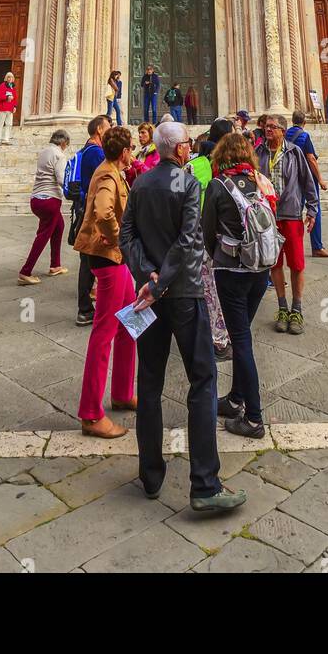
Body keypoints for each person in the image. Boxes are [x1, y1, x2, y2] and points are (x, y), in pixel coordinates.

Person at [120, 118, 247, 515]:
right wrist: (161, 283)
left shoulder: (140, 183)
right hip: (185, 294)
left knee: (151, 384)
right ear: (179, 150)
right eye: (187, 143)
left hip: (150, 297)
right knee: (203, 381)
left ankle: (151, 475)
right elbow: (189, 240)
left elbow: (127, 237)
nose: (190, 147)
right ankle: (205, 485)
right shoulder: (188, 183)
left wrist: (146, 276)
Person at [203, 130, 277, 438]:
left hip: (232, 271)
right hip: (261, 270)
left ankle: (254, 418)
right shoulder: (260, 181)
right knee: (241, 334)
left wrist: (216, 255)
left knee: (241, 342)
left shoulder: (218, 186)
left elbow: (208, 233)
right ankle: (235, 399)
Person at [74, 125, 137, 438]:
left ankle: (123, 391)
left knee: (130, 320)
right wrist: (120, 239)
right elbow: (102, 211)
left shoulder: (114, 169)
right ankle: (90, 414)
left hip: (116, 260)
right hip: (108, 258)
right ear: (124, 151)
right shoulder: (108, 175)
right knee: (104, 332)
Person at [257, 113, 318, 334]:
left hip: (291, 214)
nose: (268, 129)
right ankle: (282, 307)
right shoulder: (259, 152)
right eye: (267, 126)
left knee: (297, 263)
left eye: (273, 127)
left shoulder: (294, 152)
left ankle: (297, 308)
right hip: (267, 217)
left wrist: (312, 208)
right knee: (274, 263)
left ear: (283, 130)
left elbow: (307, 182)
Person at [189, 118, 234, 359]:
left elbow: (179, 196)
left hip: (202, 234)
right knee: (217, 286)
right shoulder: (235, 165)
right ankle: (220, 337)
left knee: (208, 285)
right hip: (225, 237)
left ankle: (214, 334)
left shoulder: (197, 164)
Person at [18, 130, 71, 284]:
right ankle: (25, 271)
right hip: (50, 199)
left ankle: (55, 265)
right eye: (66, 145)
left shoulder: (44, 152)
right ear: (63, 143)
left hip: (37, 199)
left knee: (59, 226)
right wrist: (74, 191)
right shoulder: (59, 155)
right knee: (43, 236)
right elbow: (61, 179)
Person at [73, 115, 110, 326]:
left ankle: (88, 306)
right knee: (88, 262)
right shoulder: (96, 153)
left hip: (87, 210)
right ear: (98, 130)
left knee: (88, 261)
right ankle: (85, 309)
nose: (110, 130)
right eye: (108, 127)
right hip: (93, 213)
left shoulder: (87, 150)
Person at [285, 110, 328, 258]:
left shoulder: (285, 134)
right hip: (306, 178)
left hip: (290, 177)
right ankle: (317, 246)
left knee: (293, 213)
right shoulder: (304, 136)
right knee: (314, 209)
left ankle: (289, 246)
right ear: (304, 122)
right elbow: (311, 158)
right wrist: (320, 179)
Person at [0, 72, 17, 144]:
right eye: (9, 77)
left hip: (10, 109)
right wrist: (7, 97)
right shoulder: (2, 86)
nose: (10, 79)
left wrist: (15, 106)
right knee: (1, 123)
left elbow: (15, 98)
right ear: (6, 78)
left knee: (9, 124)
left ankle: (6, 139)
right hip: (2, 108)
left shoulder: (13, 87)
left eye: (11, 77)